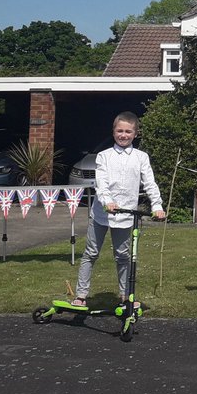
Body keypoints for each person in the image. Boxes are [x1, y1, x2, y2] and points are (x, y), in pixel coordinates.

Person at [72, 112, 166, 307]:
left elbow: (150, 183)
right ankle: (81, 295)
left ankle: (125, 296)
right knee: (91, 252)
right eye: (120, 131)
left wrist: (157, 206)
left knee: (123, 256)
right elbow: (102, 183)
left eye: (128, 131)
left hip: (125, 216)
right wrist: (107, 202)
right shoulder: (103, 156)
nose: (124, 135)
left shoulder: (141, 157)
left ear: (135, 133)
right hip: (101, 214)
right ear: (113, 132)